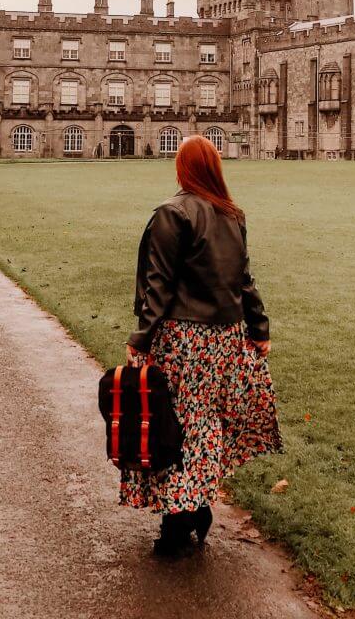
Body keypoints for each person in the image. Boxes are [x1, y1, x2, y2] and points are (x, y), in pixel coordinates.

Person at [121, 135, 281, 557]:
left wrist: (141, 339)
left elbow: (159, 285)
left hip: (184, 340)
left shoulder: (173, 214)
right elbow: (244, 280)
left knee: (176, 428)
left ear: (183, 168)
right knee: (206, 423)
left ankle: (177, 524)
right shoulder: (232, 214)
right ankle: (199, 506)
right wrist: (259, 328)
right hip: (224, 338)